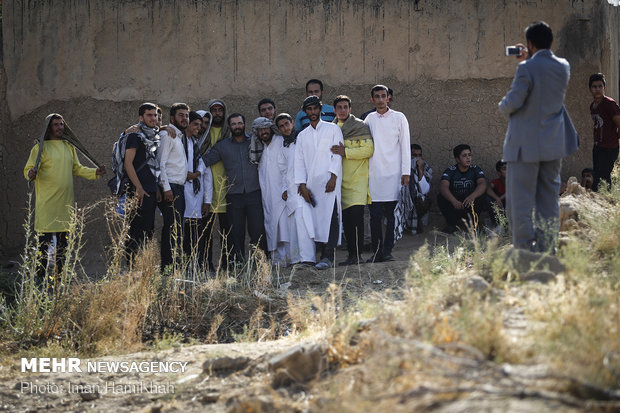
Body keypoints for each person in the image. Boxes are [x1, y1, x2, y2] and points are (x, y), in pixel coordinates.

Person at [499, 21, 579, 252]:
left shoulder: (526, 69)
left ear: (530, 43)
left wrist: (502, 105)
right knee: (548, 200)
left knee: (520, 201)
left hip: (525, 146)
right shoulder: (563, 66)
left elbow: (512, 103)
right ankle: (547, 248)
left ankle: (524, 249)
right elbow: (543, 89)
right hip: (553, 144)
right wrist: (529, 59)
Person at [24, 114, 105, 282]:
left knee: (63, 245)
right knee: (44, 244)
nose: (60, 127)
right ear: (49, 128)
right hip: (47, 205)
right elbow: (29, 170)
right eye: (56, 125)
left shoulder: (69, 146)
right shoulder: (40, 148)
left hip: (65, 204)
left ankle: (61, 279)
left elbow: (77, 168)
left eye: (61, 124)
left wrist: (94, 172)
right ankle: (40, 279)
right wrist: (30, 174)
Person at [202, 113, 266, 262]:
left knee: (257, 231)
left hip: (254, 193)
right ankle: (237, 264)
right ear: (229, 126)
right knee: (236, 233)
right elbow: (205, 160)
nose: (237, 126)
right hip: (233, 195)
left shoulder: (255, 142)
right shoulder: (222, 146)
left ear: (244, 124)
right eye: (234, 124)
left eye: (240, 123)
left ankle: (259, 263)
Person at [295, 95, 344, 269]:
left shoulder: (332, 129)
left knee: (330, 217)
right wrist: (302, 185)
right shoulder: (302, 136)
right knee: (315, 220)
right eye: (309, 109)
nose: (313, 112)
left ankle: (328, 257)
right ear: (305, 112)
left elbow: (337, 154)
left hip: (329, 181)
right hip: (311, 185)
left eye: (315, 108)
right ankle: (317, 256)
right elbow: (299, 162)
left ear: (320, 109)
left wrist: (333, 177)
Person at [364, 85, 411, 262]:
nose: (380, 99)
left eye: (383, 96)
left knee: (391, 216)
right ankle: (377, 252)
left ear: (388, 98)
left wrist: (405, 172)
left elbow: (405, 145)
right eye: (377, 96)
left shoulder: (399, 118)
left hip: (394, 174)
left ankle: (388, 250)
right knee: (375, 216)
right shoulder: (369, 119)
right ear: (372, 99)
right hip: (374, 175)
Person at [330, 95, 373, 266]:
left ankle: (358, 255)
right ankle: (351, 255)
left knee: (356, 219)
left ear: (350, 109)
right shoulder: (331, 129)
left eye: (345, 107)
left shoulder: (360, 127)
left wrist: (345, 152)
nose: (342, 110)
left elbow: (368, 150)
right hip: (339, 182)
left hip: (357, 181)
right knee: (346, 220)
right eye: (339, 107)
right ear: (334, 110)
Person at [275, 113, 316, 265]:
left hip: (304, 188)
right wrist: (285, 188)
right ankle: (296, 259)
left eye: (287, 124)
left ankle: (307, 258)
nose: (285, 128)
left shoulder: (303, 139)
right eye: (281, 126)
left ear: (292, 123)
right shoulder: (284, 145)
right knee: (293, 225)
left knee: (304, 223)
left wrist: (305, 185)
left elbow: (310, 162)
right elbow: (283, 169)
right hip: (291, 192)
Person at [158, 102, 190, 269]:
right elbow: (161, 163)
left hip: (179, 187)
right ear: (172, 118)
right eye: (180, 115)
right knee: (171, 228)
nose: (184, 118)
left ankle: (175, 265)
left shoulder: (178, 136)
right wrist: (167, 188)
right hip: (171, 188)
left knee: (177, 228)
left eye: (186, 115)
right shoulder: (167, 135)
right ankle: (168, 266)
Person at [202, 99, 232, 269]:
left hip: (226, 188)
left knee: (227, 233)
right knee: (205, 233)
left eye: (220, 110)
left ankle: (227, 265)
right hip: (206, 191)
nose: (217, 113)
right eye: (214, 110)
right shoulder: (203, 132)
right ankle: (207, 265)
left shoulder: (229, 133)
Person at [256, 117, 289, 265]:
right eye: (260, 130)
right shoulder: (259, 147)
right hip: (267, 196)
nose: (263, 132)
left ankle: (289, 258)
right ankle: (276, 260)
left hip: (282, 194)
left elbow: (287, 167)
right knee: (271, 227)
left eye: (266, 128)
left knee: (284, 227)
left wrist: (286, 188)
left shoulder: (280, 142)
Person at [183, 111, 213, 269]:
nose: (201, 127)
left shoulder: (202, 145)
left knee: (198, 235)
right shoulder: (181, 141)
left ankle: (198, 266)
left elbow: (207, 176)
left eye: (204, 124)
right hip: (182, 195)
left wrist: (207, 201)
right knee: (184, 234)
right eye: (198, 124)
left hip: (198, 197)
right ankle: (185, 266)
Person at [437, 144, 490, 234]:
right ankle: (451, 224)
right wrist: (453, 201)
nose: (468, 158)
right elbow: (443, 186)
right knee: (441, 197)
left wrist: (472, 196)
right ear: (457, 159)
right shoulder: (451, 170)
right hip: (456, 204)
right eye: (464, 156)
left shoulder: (475, 169)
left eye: (469, 155)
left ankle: (474, 223)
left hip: (470, 203)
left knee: (482, 195)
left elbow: (483, 183)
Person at [588, 73, 620, 191]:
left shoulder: (609, 104)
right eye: (594, 87)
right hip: (598, 146)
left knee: (604, 178)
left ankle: (607, 201)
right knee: (597, 176)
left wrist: (615, 141)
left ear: (604, 88)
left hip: (609, 147)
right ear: (590, 89)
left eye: (600, 86)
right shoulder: (593, 106)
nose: (597, 89)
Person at [407, 143, 432, 234]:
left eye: (419, 155)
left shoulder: (425, 167)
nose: (417, 158)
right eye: (414, 155)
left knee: (423, 200)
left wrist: (420, 170)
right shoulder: (401, 166)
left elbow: (425, 190)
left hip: (417, 201)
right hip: (404, 200)